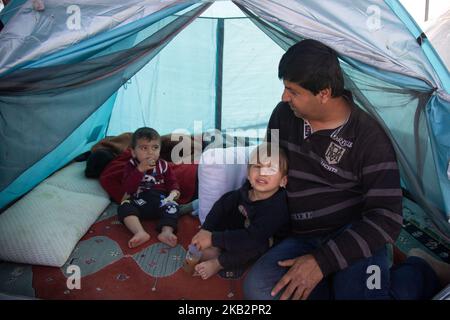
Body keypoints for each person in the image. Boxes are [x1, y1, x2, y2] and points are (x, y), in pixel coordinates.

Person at [243, 39, 447, 300]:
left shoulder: (369, 137)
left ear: (324, 93)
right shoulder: (284, 116)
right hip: (302, 236)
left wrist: (321, 262)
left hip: (355, 237)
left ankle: (421, 269)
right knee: (259, 289)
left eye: (293, 91)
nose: (284, 98)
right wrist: (247, 211)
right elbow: (267, 167)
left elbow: (387, 217)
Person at [190, 143, 290, 280]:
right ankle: (216, 248)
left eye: (271, 169)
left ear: (283, 181)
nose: (262, 173)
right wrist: (207, 229)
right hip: (243, 230)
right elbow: (221, 206)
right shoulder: (244, 192)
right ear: (248, 174)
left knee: (256, 245)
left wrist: (214, 239)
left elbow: (253, 238)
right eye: (257, 166)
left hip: (264, 240)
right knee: (227, 210)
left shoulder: (277, 208)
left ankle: (219, 262)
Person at [117, 127, 181, 248]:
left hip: (159, 201)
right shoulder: (131, 165)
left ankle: (166, 232)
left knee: (173, 207)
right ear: (134, 152)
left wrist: (174, 191)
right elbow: (128, 189)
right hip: (138, 201)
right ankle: (139, 232)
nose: (150, 152)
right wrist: (139, 170)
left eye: (155, 148)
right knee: (124, 206)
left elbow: (172, 182)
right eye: (144, 148)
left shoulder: (163, 165)